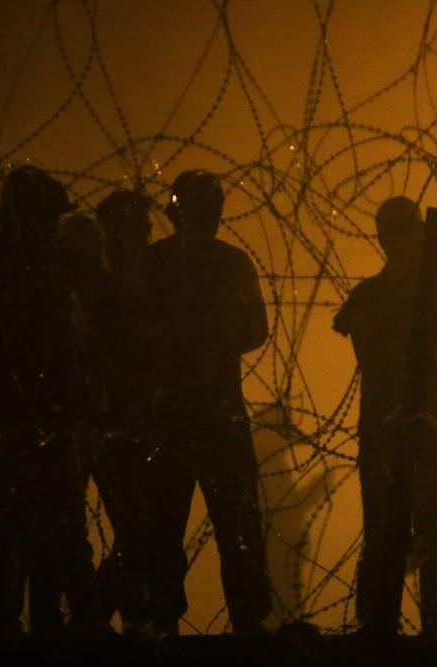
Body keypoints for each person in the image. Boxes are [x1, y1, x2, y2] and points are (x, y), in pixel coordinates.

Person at [333, 196, 437, 638]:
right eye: (391, 236)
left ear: (423, 233)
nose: (400, 244)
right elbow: (372, 356)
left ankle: (436, 630)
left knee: (434, 539)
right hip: (389, 433)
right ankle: (378, 628)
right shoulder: (371, 297)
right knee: (382, 536)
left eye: (407, 233)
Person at [0, 166, 100, 633]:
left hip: (40, 417)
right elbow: (4, 352)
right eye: (46, 216)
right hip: (28, 420)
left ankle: (45, 618)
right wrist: (45, 410)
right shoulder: (5, 269)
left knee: (45, 523)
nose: (53, 226)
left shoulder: (34, 264)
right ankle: (25, 620)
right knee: (30, 522)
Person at [140, 169, 271, 637]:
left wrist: (192, 339)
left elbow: (132, 332)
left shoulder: (157, 262)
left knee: (169, 525)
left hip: (179, 412)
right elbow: (257, 330)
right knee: (228, 524)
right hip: (209, 411)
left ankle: (167, 619)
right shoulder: (229, 263)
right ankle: (243, 622)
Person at [89, 189, 155, 635]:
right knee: (137, 530)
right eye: (141, 230)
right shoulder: (101, 287)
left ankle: (116, 614)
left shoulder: (141, 281)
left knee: (140, 529)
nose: (148, 238)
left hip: (137, 421)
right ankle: (99, 613)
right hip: (111, 423)